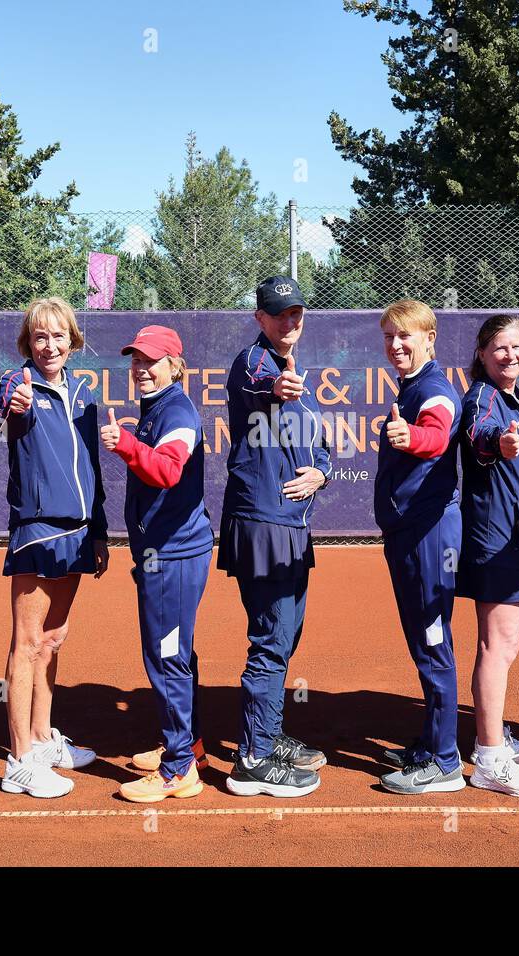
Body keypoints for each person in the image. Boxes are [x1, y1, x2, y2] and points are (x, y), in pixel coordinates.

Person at [220, 276, 332, 797]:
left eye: (296, 314)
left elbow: (320, 446)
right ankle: (253, 759)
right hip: (262, 523)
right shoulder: (254, 362)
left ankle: (268, 732)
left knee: (287, 634)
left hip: (291, 525)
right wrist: (278, 386)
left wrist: (322, 474)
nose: (289, 321)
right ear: (260, 318)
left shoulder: (302, 382)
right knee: (270, 639)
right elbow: (262, 383)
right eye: (279, 314)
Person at [0, 297, 108, 798]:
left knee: (53, 640)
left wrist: (101, 529)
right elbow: (8, 409)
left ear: (73, 341)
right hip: (39, 531)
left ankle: (42, 737)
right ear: (28, 343)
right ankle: (19, 760)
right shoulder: (18, 384)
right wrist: (12, 402)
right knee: (25, 644)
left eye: (58, 336)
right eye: (40, 337)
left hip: (81, 533)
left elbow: (93, 470)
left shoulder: (84, 394)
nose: (49, 345)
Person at [100, 325, 214, 803]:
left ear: (174, 366)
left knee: (166, 658)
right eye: (135, 361)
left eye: (151, 360)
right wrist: (132, 436)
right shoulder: (156, 410)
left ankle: (179, 769)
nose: (141, 369)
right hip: (162, 554)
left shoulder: (179, 413)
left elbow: (167, 471)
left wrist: (125, 444)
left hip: (174, 557)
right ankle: (189, 747)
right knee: (175, 655)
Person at [456, 314, 519, 799]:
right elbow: (479, 436)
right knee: (497, 645)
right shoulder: (483, 398)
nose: (510, 355)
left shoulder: (518, 398)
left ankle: (496, 741)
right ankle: (491, 755)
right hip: (499, 542)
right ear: (481, 354)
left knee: (507, 644)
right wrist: (500, 443)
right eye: (499, 348)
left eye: (516, 346)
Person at [372, 300, 466, 795]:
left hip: (429, 538)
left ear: (430, 337)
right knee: (424, 642)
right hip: (410, 534)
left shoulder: (433, 389)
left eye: (406, 336)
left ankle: (446, 760)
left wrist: (411, 437)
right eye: (389, 337)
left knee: (433, 643)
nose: (397, 345)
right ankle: (433, 743)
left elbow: (438, 430)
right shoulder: (410, 387)